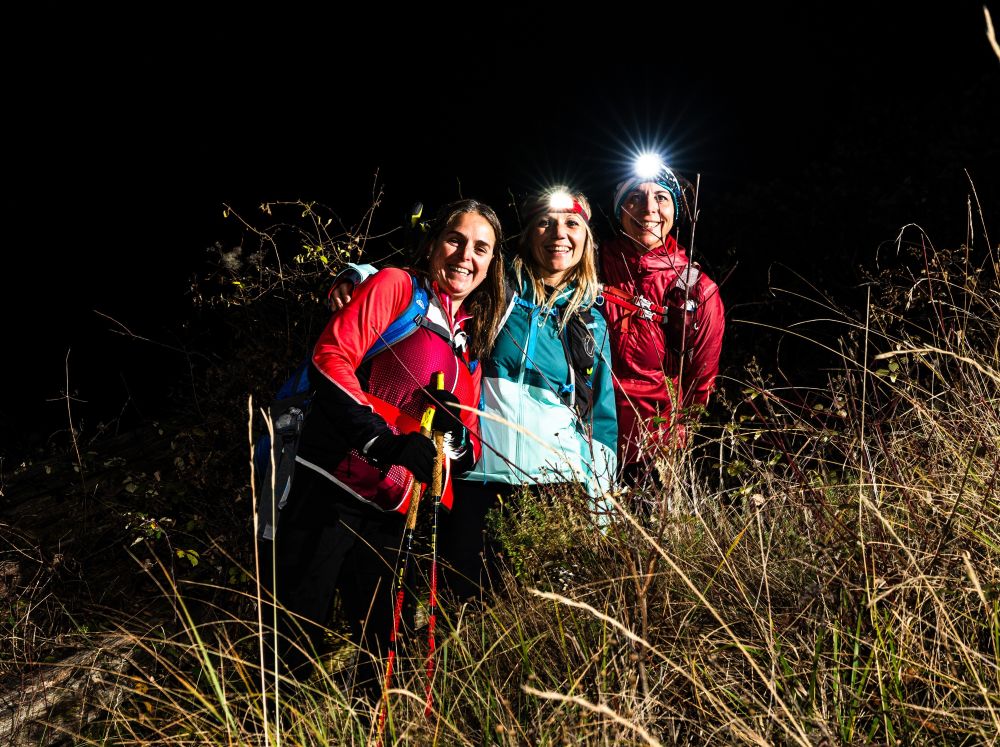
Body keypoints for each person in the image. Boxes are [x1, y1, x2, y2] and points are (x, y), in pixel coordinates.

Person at [329, 188, 618, 601]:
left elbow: (602, 420)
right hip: (479, 483)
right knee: (460, 609)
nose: (559, 233)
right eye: (545, 221)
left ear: (586, 239)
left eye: (572, 224)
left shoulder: (591, 322)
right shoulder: (495, 293)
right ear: (527, 233)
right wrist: (360, 274)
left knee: (546, 615)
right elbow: (434, 278)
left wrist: (602, 505)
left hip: (559, 487)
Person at [269, 198, 507, 694]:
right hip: (332, 486)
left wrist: (452, 437)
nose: (466, 255)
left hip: (396, 516)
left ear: (491, 265)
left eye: (481, 249)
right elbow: (331, 356)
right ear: (433, 243)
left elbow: (469, 454)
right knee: (293, 643)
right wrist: (383, 440)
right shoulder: (398, 286)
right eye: (455, 240)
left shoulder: (470, 347)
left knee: (380, 659)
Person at [598, 157, 725, 491]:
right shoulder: (589, 266)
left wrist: (674, 444)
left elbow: (701, 383)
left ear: (674, 212)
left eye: (661, 198)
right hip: (587, 439)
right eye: (635, 197)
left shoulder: (698, 288)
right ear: (619, 209)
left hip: (655, 449)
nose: (648, 208)